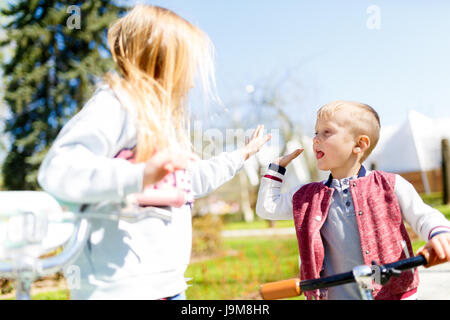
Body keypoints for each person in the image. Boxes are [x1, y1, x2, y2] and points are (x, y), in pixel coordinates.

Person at [38, 5, 271, 300]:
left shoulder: (165, 124)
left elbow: (192, 181)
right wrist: (140, 175)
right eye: (187, 66)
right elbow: (59, 169)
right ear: (159, 61)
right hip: (119, 289)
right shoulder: (115, 105)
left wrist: (242, 155)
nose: (192, 80)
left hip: (168, 287)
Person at [256, 100, 450, 300]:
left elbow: (424, 216)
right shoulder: (309, 197)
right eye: (316, 133)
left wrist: (440, 234)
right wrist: (275, 169)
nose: (316, 139)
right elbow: (267, 208)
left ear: (360, 144)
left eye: (326, 132)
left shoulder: (389, 184)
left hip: (391, 293)